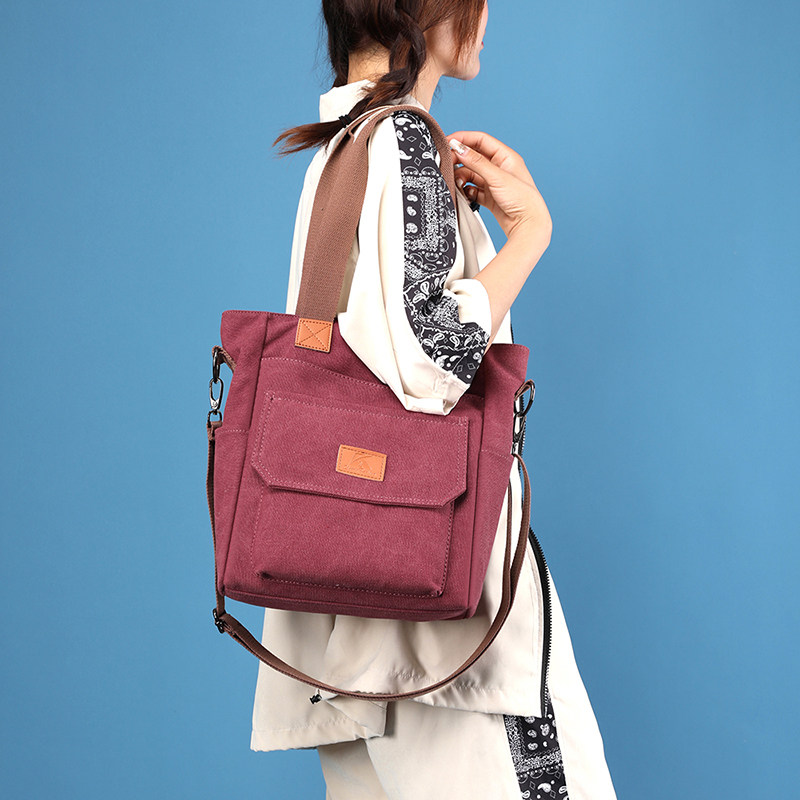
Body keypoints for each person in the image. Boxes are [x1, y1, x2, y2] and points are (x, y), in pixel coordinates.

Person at [251, 2, 619, 798]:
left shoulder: (343, 144)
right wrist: (530, 233)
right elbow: (435, 357)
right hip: (444, 624)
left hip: (349, 617)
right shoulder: (403, 140)